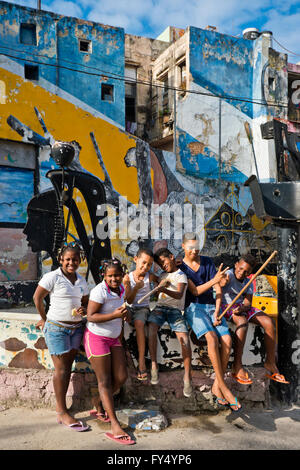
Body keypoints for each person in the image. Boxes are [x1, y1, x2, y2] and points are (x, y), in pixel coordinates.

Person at [179, 232, 242, 411]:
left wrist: (217, 309)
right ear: (183, 247)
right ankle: (223, 386)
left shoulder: (206, 261)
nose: (194, 251)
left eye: (197, 247)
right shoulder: (181, 267)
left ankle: (217, 386)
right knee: (212, 339)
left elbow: (217, 288)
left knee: (227, 340)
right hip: (194, 308)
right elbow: (196, 291)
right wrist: (215, 280)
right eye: (191, 248)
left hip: (212, 308)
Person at [33, 242, 90, 431]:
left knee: (67, 367)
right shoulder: (52, 277)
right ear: (60, 260)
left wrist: (83, 309)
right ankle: (61, 411)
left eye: (75, 259)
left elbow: (85, 303)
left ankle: (62, 409)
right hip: (57, 328)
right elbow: (37, 297)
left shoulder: (82, 281)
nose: (71, 263)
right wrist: (44, 318)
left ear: (80, 260)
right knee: (61, 370)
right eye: (67, 259)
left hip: (76, 329)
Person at [84, 258, 135, 445]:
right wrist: (114, 315)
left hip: (114, 338)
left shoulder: (122, 289)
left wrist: (126, 315)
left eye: (118, 275)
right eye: (111, 276)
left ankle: (98, 401)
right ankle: (114, 424)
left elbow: (121, 313)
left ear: (122, 275)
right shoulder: (99, 291)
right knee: (104, 380)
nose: (114, 279)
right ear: (104, 276)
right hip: (96, 338)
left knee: (121, 377)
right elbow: (91, 316)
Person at [219, 254, 289, 385]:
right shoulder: (229, 274)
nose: (241, 273)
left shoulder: (249, 281)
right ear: (236, 265)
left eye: (246, 271)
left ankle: (270, 363)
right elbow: (221, 283)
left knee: (269, 322)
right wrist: (223, 281)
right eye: (240, 269)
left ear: (250, 272)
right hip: (226, 306)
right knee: (242, 322)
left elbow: (247, 304)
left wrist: (242, 309)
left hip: (241, 307)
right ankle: (237, 365)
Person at [148, 248, 193, 397]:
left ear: (172, 257)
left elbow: (179, 295)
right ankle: (154, 364)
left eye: (164, 261)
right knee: (151, 329)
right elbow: (157, 292)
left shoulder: (181, 276)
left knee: (184, 340)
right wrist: (156, 289)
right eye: (160, 264)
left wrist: (164, 289)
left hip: (175, 311)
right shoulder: (162, 275)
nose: (163, 265)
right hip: (160, 308)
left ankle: (187, 376)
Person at [123, 247, 158, 381]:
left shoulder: (150, 277)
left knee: (139, 323)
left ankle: (142, 361)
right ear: (135, 259)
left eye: (149, 264)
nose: (146, 266)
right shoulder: (128, 278)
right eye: (143, 262)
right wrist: (136, 288)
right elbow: (129, 300)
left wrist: (161, 285)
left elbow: (161, 281)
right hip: (130, 308)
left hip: (143, 309)